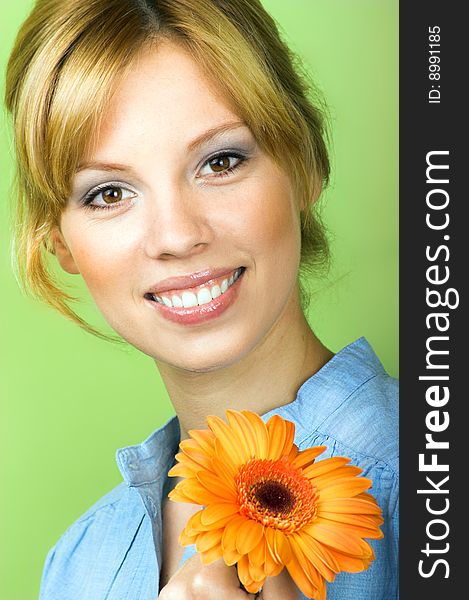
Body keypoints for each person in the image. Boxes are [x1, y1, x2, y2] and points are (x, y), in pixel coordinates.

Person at [4, 0, 398, 598]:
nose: (177, 236)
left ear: (307, 163)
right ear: (59, 241)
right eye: (109, 193)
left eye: (220, 160)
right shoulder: (78, 566)